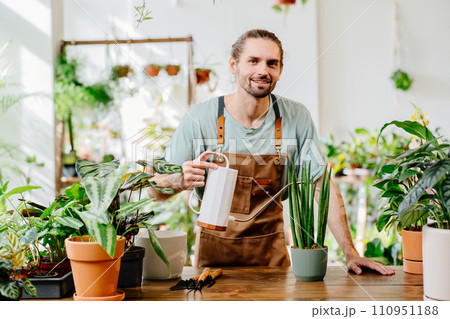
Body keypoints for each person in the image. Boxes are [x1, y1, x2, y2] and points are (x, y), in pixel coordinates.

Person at [148, 29, 394, 275]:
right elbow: (154, 190)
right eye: (253, 61)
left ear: (280, 70)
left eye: (271, 63)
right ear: (234, 66)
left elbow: (321, 186)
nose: (263, 70)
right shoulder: (199, 117)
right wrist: (180, 179)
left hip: (271, 260)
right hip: (213, 262)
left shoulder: (296, 117)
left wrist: (350, 253)